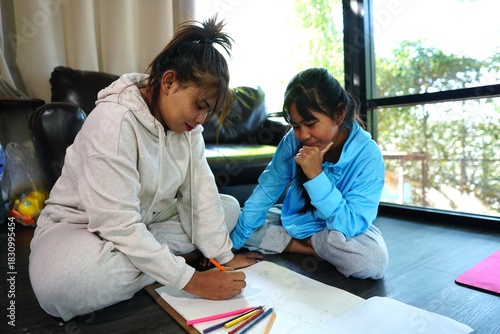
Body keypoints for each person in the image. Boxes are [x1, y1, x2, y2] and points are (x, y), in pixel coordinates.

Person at [29, 16, 262, 321]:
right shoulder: (114, 123)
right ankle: (172, 261)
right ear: (169, 82)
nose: (203, 118)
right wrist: (191, 280)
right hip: (81, 229)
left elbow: (200, 191)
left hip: (148, 222)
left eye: (209, 111)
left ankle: (157, 261)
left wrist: (224, 257)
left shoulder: (190, 129)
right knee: (60, 287)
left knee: (227, 206)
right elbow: (118, 224)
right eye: (200, 105)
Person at [230, 67, 388, 279]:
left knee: (371, 261)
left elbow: (351, 225)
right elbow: (266, 191)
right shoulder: (292, 141)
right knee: (229, 218)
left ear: (339, 114)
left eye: (310, 124)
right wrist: (232, 247)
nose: (303, 134)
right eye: (295, 125)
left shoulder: (368, 156)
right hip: (292, 219)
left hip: (340, 229)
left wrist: (316, 176)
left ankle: (303, 243)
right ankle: (300, 245)